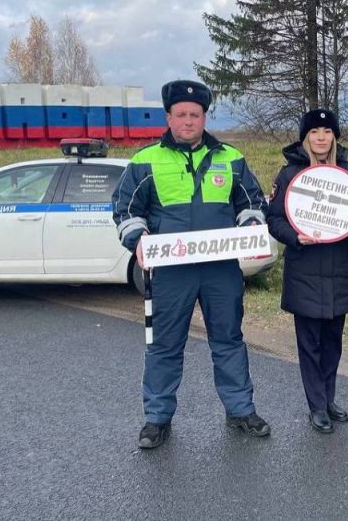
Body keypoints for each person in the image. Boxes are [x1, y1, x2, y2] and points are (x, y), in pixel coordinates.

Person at [112, 79, 271, 449]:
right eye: (181, 114)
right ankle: (157, 418)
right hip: (170, 272)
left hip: (220, 270)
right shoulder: (145, 161)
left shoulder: (230, 158)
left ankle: (240, 410)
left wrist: (251, 225)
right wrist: (138, 238)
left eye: (195, 115)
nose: (188, 121)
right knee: (164, 345)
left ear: (204, 117)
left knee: (228, 340)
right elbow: (125, 210)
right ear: (168, 117)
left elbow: (251, 202)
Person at [266, 109, 348, 433]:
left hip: (340, 269)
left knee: (333, 342)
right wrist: (294, 236)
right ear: (305, 138)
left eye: (327, 131)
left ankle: (328, 398)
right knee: (309, 344)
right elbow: (274, 219)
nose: (321, 137)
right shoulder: (289, 175)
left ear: (335, 137)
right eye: (314, 132)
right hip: (305, 269)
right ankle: (317, 405)